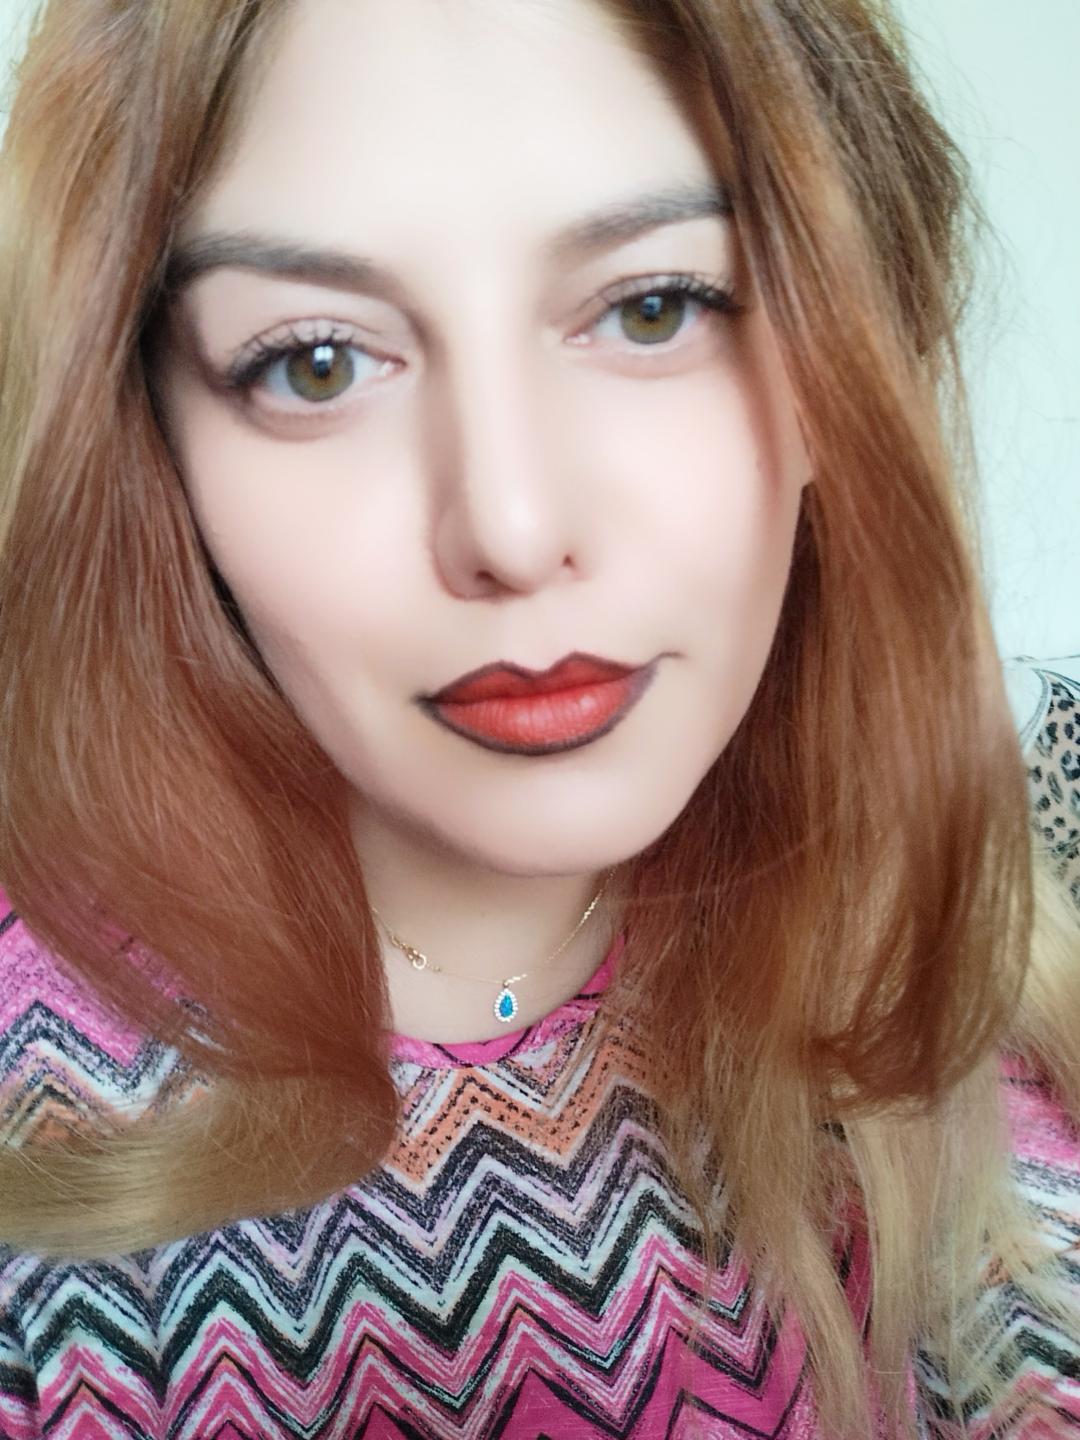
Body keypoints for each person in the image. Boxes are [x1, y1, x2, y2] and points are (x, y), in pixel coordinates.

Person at [0, 0, 1077, 1435]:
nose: (511, 528)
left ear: (853, 364)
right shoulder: (44, 1131)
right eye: (317, 361)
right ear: (151, 447)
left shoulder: (973, 963)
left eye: (653, 308)